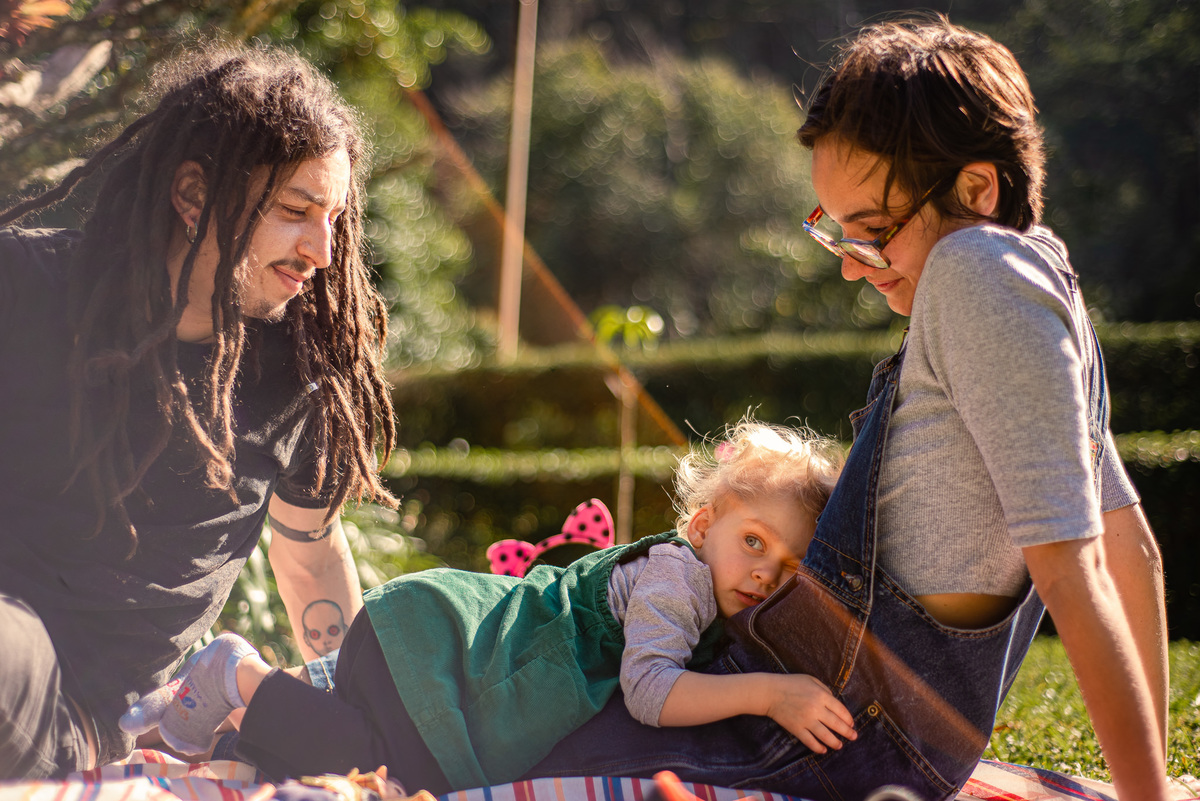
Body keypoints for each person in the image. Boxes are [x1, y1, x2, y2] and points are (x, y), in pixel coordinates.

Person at [516, 16, 1170, 801]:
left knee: (481, 735)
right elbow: (1137, 552)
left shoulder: (979, 273)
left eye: (876, 234)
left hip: (815, 730)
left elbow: (1077, 566)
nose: (857, 270)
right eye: (840, 238)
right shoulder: (1042, 287)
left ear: (976, 189)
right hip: (845, 721)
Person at [0, 44, 396, 778]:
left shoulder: (298, 376)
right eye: (294, 212)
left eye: (334, 218)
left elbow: (309, 557)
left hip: (68, 709)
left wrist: (352, 716)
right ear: (192, 195)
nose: (323, 248)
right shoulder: (24, 288)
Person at [121, 420, 851, 793]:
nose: (762, 572)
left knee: (346, 763)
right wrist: (773, 692)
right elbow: (652, 690)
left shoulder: (700, 580)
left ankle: (233, 736)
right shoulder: (679, 579)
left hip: (440, 641)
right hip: (443, 649)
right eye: (752, 541)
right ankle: (236, 672)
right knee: (381, 768)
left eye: (784, 566)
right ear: (702, 524)